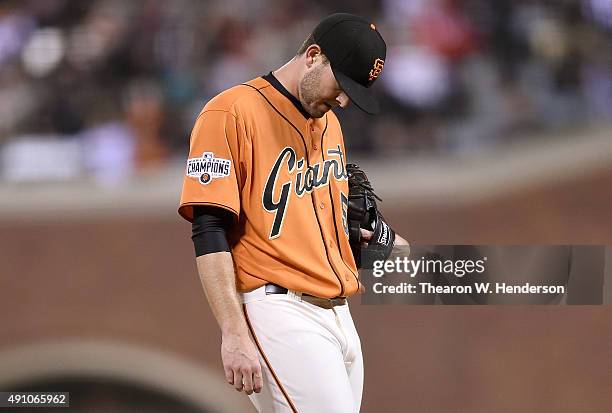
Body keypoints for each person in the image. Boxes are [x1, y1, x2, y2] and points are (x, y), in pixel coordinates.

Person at [178, 13, 407, 412]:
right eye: (343, 85)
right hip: (279, 312)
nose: (343, 100)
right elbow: (209, 229)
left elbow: (325, 226)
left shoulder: (328, 124)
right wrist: (232, 331)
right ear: (314, 55)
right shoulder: (230, 112)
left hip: (339, 314)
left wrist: (366, 239)